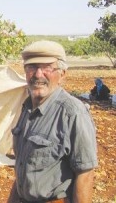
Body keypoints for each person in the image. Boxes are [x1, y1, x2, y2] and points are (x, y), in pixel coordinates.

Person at [8, 40, 98, 203]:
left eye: (47, 67)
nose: (38, 74)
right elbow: (23, 167)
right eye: (32, 67)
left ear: (62, 74)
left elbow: (85, 174)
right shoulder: (27, 108)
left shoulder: (72, 113)